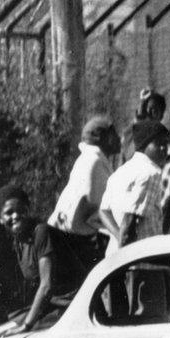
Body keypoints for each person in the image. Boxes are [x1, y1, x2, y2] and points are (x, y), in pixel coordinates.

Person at [0, 186, 85, 335]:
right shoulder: (19, 241)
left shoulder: (41, 232)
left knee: (18, 336)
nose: (16, 216)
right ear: (0, 219)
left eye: (21, 210)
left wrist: (25, 325)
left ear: (28, 209)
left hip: (72, 306)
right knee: (6, 326)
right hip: (54, 306)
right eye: (9, 213)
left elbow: (46, 286)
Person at [48, 115, 121, 271]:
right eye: (114, 133)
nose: (118, 138)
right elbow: (94, 209)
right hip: (71, 240)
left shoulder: (90, 159)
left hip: (69, 236)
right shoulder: (94, 162)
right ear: (103, 137)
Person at [99, 120, 170, 253]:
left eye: (166, 143)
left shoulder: (119, 172)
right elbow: (130, 218)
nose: (164, 148)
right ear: (143, 145)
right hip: (142, 260)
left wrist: (118, 237)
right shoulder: (152, 173)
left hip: (115, 257)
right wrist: (125, 248)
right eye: (159, 143)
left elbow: (104, 211)